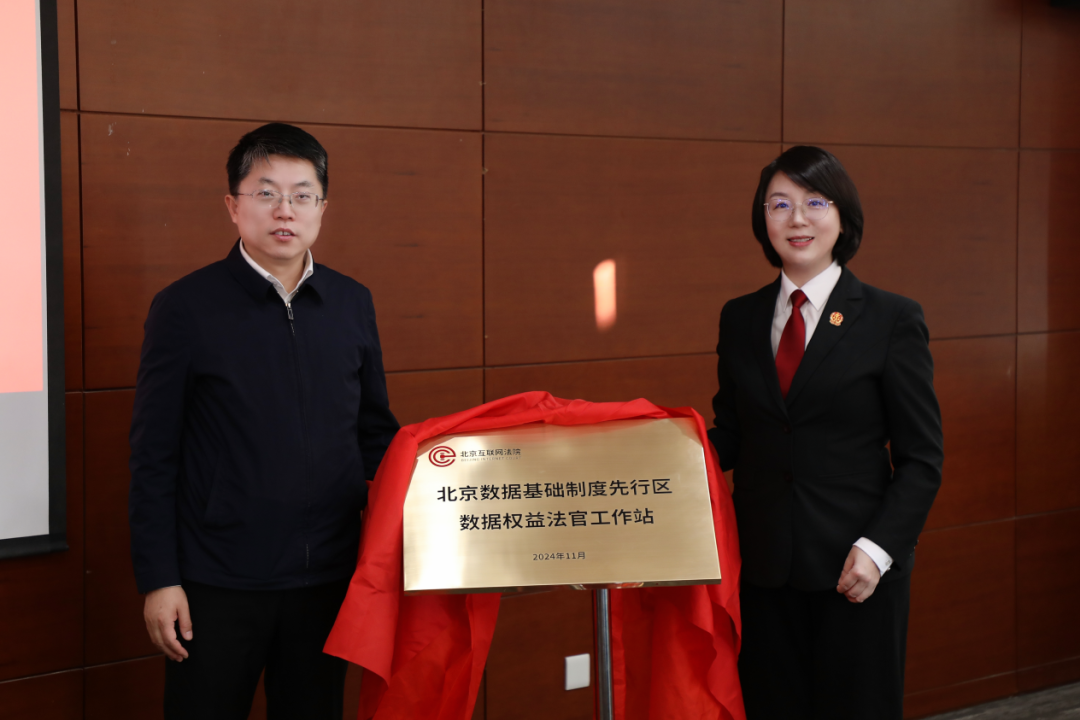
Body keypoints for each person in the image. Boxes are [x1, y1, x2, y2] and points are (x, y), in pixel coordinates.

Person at [128, 122, 399, 719]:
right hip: (216, 581)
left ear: (322, 208)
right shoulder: (186, 307)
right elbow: (153, 454)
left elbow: (375, 435)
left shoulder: (351, 302)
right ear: (233, 206)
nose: (285, 210)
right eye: (266, 193)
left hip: (327, 578)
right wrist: (159, 578)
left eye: (302, 195)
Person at [708, 146, 943, 720]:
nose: (797, 219)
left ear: (843, 217)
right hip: (764, 569)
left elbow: (921, 459)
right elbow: (731, 435)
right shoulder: (740, 317)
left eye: (815, 202)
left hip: (855, 570)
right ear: (763, 219)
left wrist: (878, 549)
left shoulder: (891, 318)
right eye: (779, 204)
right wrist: (650, 457)